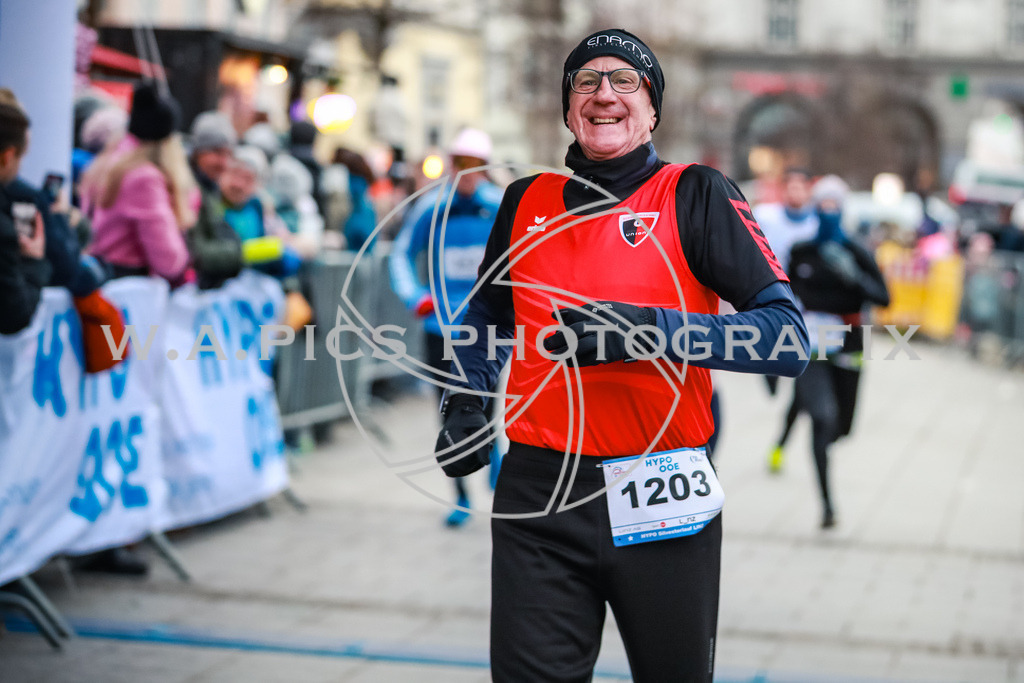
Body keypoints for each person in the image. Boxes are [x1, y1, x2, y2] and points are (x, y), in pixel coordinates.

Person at [433, 29, 809, 681]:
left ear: (653, 107)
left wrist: (647, 331)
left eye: (625, 80)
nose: (604, 93)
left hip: (660, 486)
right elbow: (488, 317)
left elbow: (786, 337)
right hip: (539, 489)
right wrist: (466, 398)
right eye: (586, 81)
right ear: (568, 108)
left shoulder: (696, 194)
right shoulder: (525, 201)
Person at [390, 128, 504, 528]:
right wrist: (413, 295)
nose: (467, 173)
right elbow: (401, 252)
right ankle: (459, 497)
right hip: (441, 326)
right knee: (447, 410)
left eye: (476, 165)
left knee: (486, 404)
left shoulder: (501, 207)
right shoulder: (431, 209)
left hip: (486, 326)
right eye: (460, 164)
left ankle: (493, 453)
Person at [763, 174, 889, 529]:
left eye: (836, 205)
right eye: (823, 205)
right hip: (809, 348)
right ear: (815, 209)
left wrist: (855, 278)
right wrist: (770, 362)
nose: (829, 211)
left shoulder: (855, 251)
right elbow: (782, 302)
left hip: (848, 347)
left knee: (841, 427)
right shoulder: (802, 252)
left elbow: (883, 296)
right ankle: (828, 505)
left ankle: (808, 434)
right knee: (821, 417)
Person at [84, 82, 196, 286]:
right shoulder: (144, 177)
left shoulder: (105, 163)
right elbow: (169, 260)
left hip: (102, 276)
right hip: (128, 287)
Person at [0, 88, 50, 334]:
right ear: (7, 158)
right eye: (21, 158)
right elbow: (14, 314)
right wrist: (32, 261)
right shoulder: (6, 229)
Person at [188, 111, 237, 198]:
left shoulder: (214, 190)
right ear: (198, 152)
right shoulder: (181, 190)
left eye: (228, 154)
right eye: (218, 152)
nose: (224, 163)